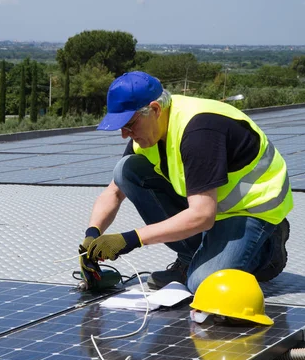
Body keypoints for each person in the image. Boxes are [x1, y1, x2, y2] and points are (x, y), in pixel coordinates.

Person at [80, 71, 292, 293]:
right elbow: (113, 192)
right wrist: (92, 234)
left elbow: (202, 216)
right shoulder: (151, 131)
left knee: (202, 284)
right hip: (211, 207)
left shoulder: (200, 131)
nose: (125, 134)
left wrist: (131, 239)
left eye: (129, 124)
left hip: (250, 210)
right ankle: (190, 256)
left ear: (154, 109)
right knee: (126, 170)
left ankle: (267, 249)